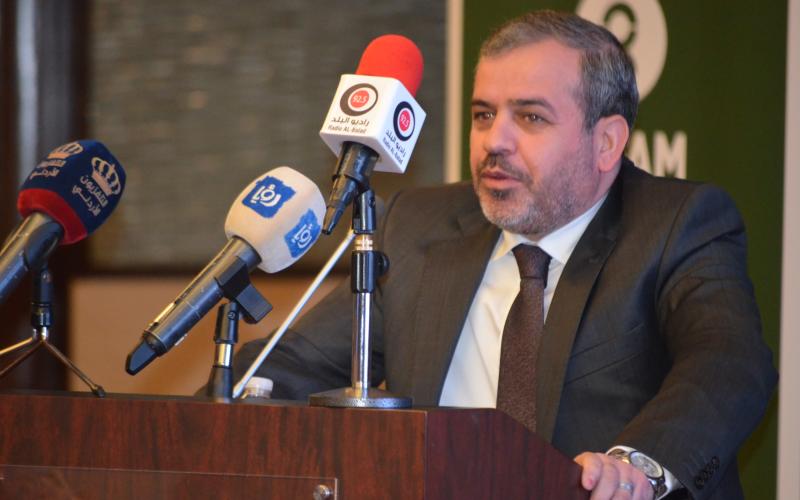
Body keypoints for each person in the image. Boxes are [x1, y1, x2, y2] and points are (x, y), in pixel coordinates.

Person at [233, 10, 777, 500]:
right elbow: (292, 367)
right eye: (483, 115)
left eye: (531, 117)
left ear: (607, 142)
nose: (495, 141)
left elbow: (728, 365)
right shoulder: (416, 225)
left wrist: (637, 467)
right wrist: (221, 406)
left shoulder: (676, 224)